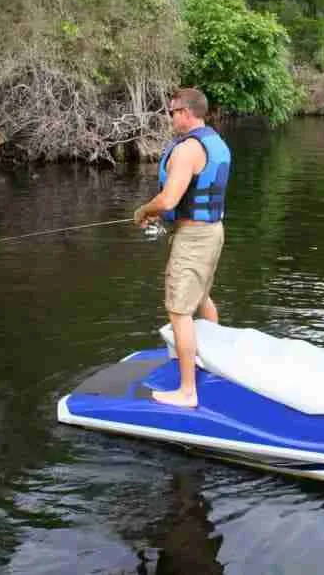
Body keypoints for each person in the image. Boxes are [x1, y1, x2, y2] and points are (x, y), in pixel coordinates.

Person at [133, 88, 231, 408]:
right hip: (213, 232)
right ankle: (212, 360)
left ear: (187, 113)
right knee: (202, 296)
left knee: (179, 311)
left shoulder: (188, 150)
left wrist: (143, 211)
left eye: (172, 111)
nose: (170, 116)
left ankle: (187, 391)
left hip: (194, 239)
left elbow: (169, 200)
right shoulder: (215, 142)